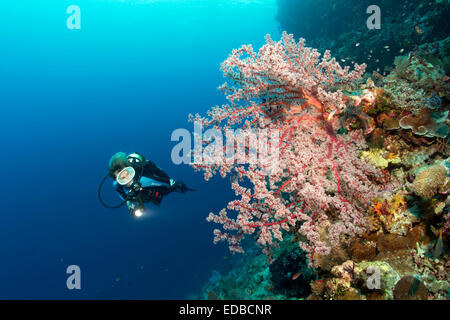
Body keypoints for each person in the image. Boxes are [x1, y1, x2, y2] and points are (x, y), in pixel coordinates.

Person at [105, 151, 193, 217]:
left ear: (130, 169)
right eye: (122, 178)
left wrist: (176, 185)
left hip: (149, 174)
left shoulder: (145, 179)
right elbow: (125, 198)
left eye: (127, 173)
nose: (127, 180)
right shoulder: (117, 186)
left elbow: (167, 183)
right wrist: (130, 206)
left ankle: (183, 187)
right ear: (116, 179)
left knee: (167, 185)